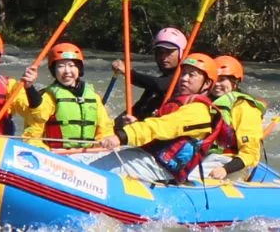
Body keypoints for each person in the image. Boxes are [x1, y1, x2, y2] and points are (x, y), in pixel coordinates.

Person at [92, 53, 222, 183]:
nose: (184, 78)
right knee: (90, 158)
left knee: (93, 167)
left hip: (159, 168)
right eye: (183, 74)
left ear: (207, 83)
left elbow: (159, 127)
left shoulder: (197, 111)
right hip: (149, 157)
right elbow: (163, 131)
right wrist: (137, 123)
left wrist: (122, 136)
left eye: (191, 75)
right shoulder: (185, 103)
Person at [21, 43, 115, 149]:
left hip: (88, 155)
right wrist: (29, 87)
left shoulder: (94, 97)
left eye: (71, 65)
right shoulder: (47, 97)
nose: (67, 71)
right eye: (61, 66)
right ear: (53, 71)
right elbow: (31, 136)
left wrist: (104, 144)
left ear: (79, 69)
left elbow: (105, 130)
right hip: (56, 157)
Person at [205, 55, 268, 180]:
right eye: (215, 79)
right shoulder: (206, 103)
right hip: (206, 157)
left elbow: (250, 152)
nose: (217, 84)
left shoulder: (245, 107)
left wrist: (225, 169)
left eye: (222, 80)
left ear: (235, 82)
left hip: (229, 162)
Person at [110, 27, 186, 123]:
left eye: (169, 52)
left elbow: (159, 85)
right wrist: (115, 124)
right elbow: (139, 107)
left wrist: (128, 73)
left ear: (181, 53)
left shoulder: (182, 79)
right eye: (159, 52)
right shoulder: (156, 84)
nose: (163, 57)